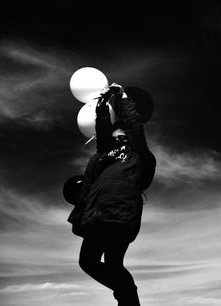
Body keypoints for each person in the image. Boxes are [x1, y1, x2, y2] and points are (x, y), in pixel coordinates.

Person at [67, 83, 156, 306]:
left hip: (120, 212)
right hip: (98, 212)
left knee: (111, 263)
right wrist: (102, 103)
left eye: (121, 132)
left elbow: (133, 124)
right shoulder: (103, 153)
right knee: (89, 262)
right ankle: (127, 294)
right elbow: (103, 126)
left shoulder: (138, 151)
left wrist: (123, 96)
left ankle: (127, 296)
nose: (117, 134)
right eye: (114, 133)